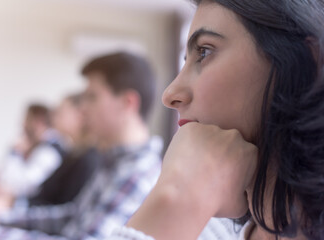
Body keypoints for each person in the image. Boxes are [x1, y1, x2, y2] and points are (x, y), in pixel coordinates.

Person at [106, 0, 324, 240]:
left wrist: (178, 196)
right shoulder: (204, 229)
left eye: (204, 52)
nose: (169, 95)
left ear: (304, 63)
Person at [0, 52, 163, 240]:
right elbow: (73, 218)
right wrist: (0, 218)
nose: (83, 108)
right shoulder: (114, 161)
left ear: (127, 103)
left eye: (92, 97)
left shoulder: (137, 172)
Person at [28, 93, 100, 206]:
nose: (54, 116)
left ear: (80, 114)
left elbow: (63, 206)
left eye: (61, 111)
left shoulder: (88, 160)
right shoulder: (72, 153)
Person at [0, 103, 67, 200]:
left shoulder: (50, 151)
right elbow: (3, 173)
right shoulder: (36, 146)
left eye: (27, 119)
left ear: (39, 122)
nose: (23, 124)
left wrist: (16, 154)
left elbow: (25, 185)